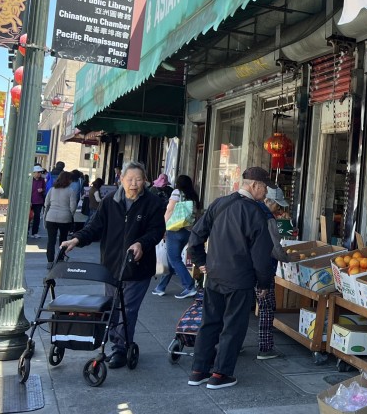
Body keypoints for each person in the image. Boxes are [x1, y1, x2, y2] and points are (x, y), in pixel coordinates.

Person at [60, 161, 166, 369]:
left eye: (138, 180)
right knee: (113, 308)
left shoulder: (152, 203)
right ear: (121, 180)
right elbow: (95, 227)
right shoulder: (110, 201)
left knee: (128, 308)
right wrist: (76, 239)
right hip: (111, 267)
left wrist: (140, 243)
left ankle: (120, 348)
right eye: (129, 179)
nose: (134, 184)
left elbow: (156, 232)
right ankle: (117, 341)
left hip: (137, 267)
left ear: (145, 181)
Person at [187, 166, 278, 390]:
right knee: (233, 327)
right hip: (240, 279)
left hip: (215, 276)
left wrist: (201, 261)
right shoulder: (256, 213)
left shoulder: (220, 203)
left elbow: (196, 236)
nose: (266, 192)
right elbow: (261, 256)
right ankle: (220, 374)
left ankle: (198, 370)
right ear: (254, 185)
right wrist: (264, 283)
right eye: (265, 187)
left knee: (210, 323)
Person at [153, 174, 202, 299]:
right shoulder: (194, 196)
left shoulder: (176, 192)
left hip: (174, 230)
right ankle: (160, 287)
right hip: (187, 231)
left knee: (174, 260)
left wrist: (162, 226)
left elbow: (169, 209)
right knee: (171, 260)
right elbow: (197, 214)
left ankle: (189, 286)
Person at [43, 172, 79, 268]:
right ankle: (60, 259)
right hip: (65, 218)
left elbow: (46, 204)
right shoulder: (71, 191)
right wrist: (71, 214)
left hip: (50, 217)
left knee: (51, 241)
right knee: (63, 240)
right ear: (68, 180)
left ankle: (50, 262)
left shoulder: (51, 190)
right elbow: (73, 206)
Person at [30, 165, 47, 238]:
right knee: (28, 218)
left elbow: (44, 188)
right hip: (30, 201)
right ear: (34, 173)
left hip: (39, 201)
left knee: (37, 217)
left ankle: (35, 232)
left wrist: (42, 190)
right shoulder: (30, 180)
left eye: (40, 172)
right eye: (38, 172)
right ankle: (26, 232)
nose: (40, 174)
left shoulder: (42, 180)